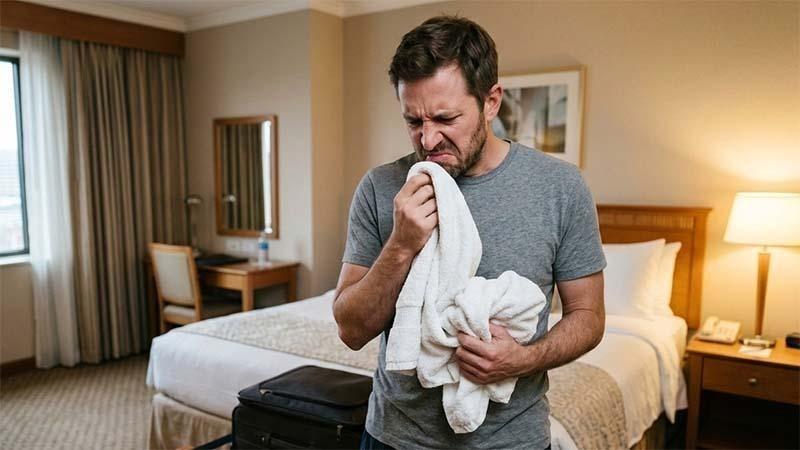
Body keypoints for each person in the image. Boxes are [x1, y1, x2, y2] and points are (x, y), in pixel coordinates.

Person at [333, 15, 606, 450]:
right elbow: (351, 330)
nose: (427, 139)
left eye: (445, 117)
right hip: (394, 438)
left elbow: (588, 318)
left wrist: (522, 360)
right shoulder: (381, 187)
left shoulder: (560, 188)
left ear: (492, 100)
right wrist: (401, 245)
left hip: (511, 440)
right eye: (413, 121)